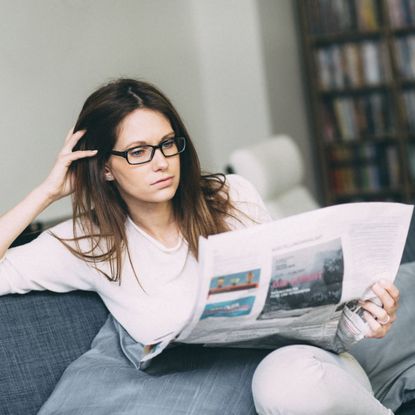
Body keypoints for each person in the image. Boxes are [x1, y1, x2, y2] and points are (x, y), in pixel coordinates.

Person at [0, 78, 402, 414]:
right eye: (138, 152)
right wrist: (47, 192)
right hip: (210, 393)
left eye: (168, 143)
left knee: (286, 382)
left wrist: (360, 316)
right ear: (105, 166)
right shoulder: (89, 242)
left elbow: (300, 295)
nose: (161, 162)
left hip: (306, 374)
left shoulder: (232, 196)